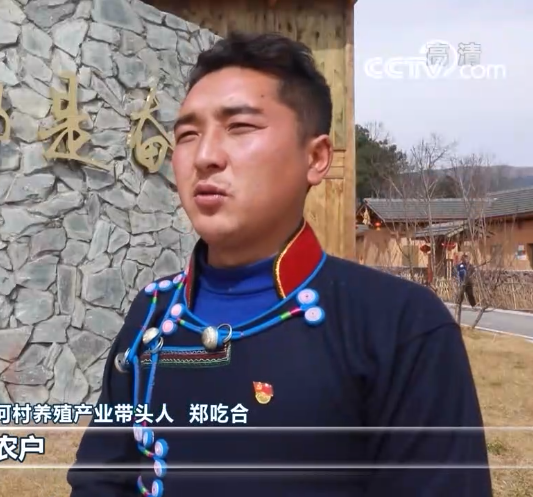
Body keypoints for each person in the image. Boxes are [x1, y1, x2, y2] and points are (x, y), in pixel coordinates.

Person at [67, 31, 491, 497]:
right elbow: (98, 483)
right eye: (188, 135)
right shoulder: (152, 314)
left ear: (316, 158)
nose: (204, 156)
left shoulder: (401, 325)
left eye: (240, 127)